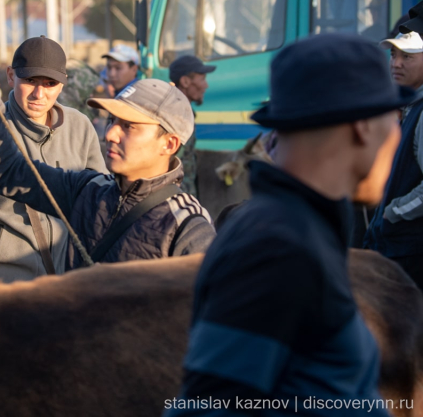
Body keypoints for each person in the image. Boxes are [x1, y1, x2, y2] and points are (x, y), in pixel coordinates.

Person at [168, 34, 407, 416]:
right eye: (393, 119)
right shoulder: (276, 247)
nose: (397, 133)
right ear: (363, 125)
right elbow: (208, 407)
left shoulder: (299, 230)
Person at [0, 32, 214, 267]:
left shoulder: (187, 227)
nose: (110, 134)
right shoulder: (89, 190)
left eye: (129, 126)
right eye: (111, 121)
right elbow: (4, 170)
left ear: (169, 144)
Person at [0, 36, 106, 292]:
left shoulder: (81, 128)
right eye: (29, 81)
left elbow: (101, 212)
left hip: (72, 293)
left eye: (50, 83)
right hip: (6, 296)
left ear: (62, 85)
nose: (39, 94)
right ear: (10, 76)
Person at [364, 27, 423, 289]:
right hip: (394, 250)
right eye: (394, 54)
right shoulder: (406, 108)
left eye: (408, 57)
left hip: (410, 255)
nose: (396, 63)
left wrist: (394, 211)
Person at [169, 55, 217, 196]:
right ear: (185, 81)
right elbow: (173, 163)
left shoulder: (183, 111)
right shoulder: (178, 115)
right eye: (202, 79)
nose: (205, 85)